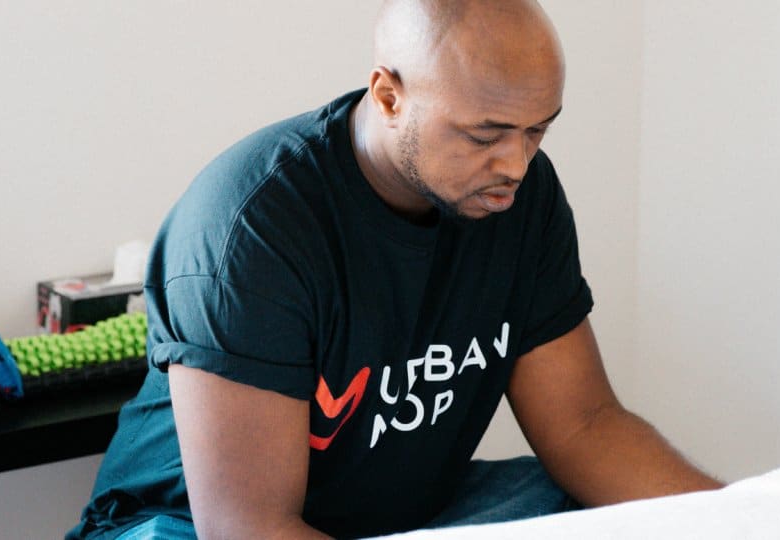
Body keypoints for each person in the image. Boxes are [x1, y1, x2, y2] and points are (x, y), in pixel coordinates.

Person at [69, 1, 721, 538]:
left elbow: (586, 428)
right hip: (186, 526)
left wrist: (753, 517)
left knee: (614, 516)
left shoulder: (521, 197)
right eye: (484, 135)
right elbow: (249, 526)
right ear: (387, 96)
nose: (516, 165)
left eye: (537, 132)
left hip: (400, 515)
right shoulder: (255, 226)